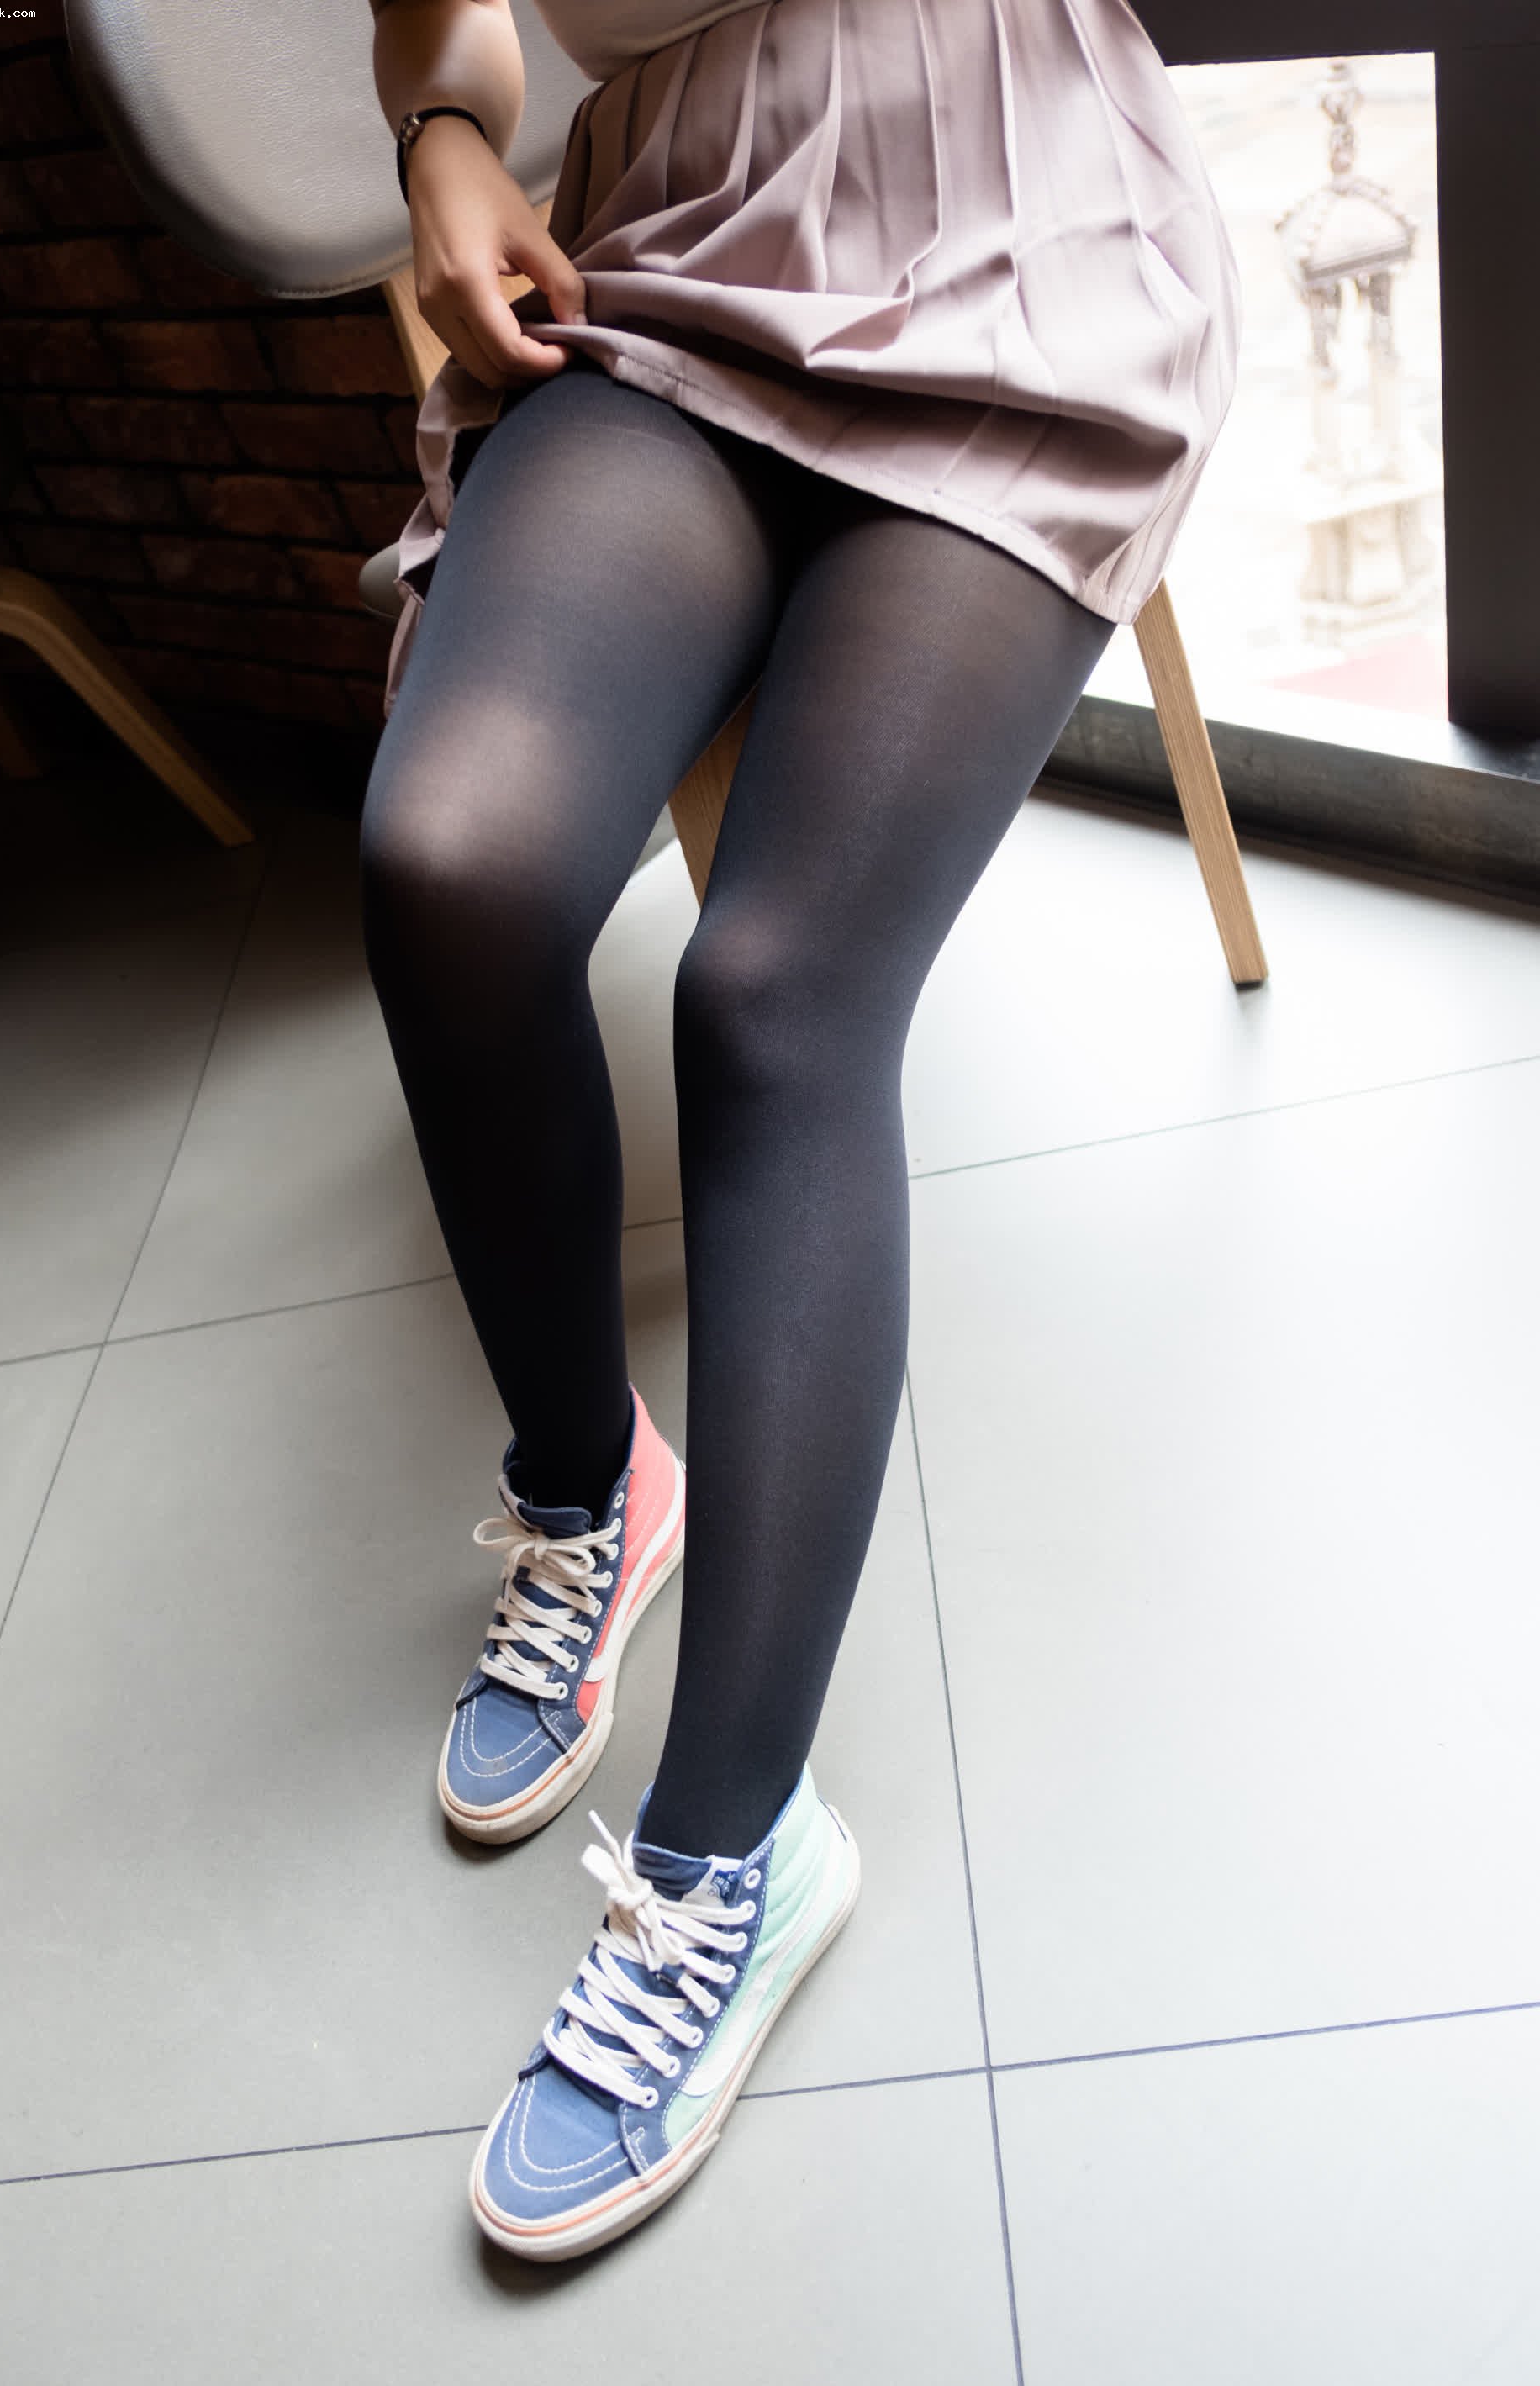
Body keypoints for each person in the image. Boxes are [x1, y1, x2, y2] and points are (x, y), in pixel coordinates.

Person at [362, 0, 1240, 2262]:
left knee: (772, 1003)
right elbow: (439, 18)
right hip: (670, 244)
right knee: (452, 866)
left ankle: (732, 1849)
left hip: (1024, 225)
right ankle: (594, 1488)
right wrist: (446, 129)